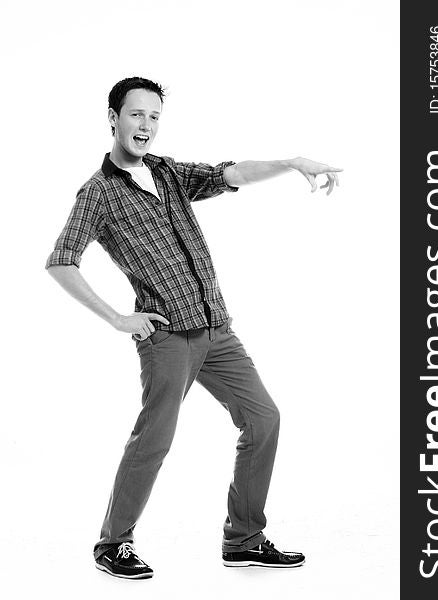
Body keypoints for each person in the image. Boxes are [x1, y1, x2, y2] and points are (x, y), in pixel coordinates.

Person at [45, 76, 342, 580]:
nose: (146, 126)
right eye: (136, 115)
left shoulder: (166, 172)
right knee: (154, 440)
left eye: (154, 117)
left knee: (263, 418)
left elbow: (232, 173)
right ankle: (112, 544)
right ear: (114, 118)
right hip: (166, 337)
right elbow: (61, 261)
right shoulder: (97, 194)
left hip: (216, 329)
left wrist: (291, 162)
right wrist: (120, 318)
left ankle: (244, 538)